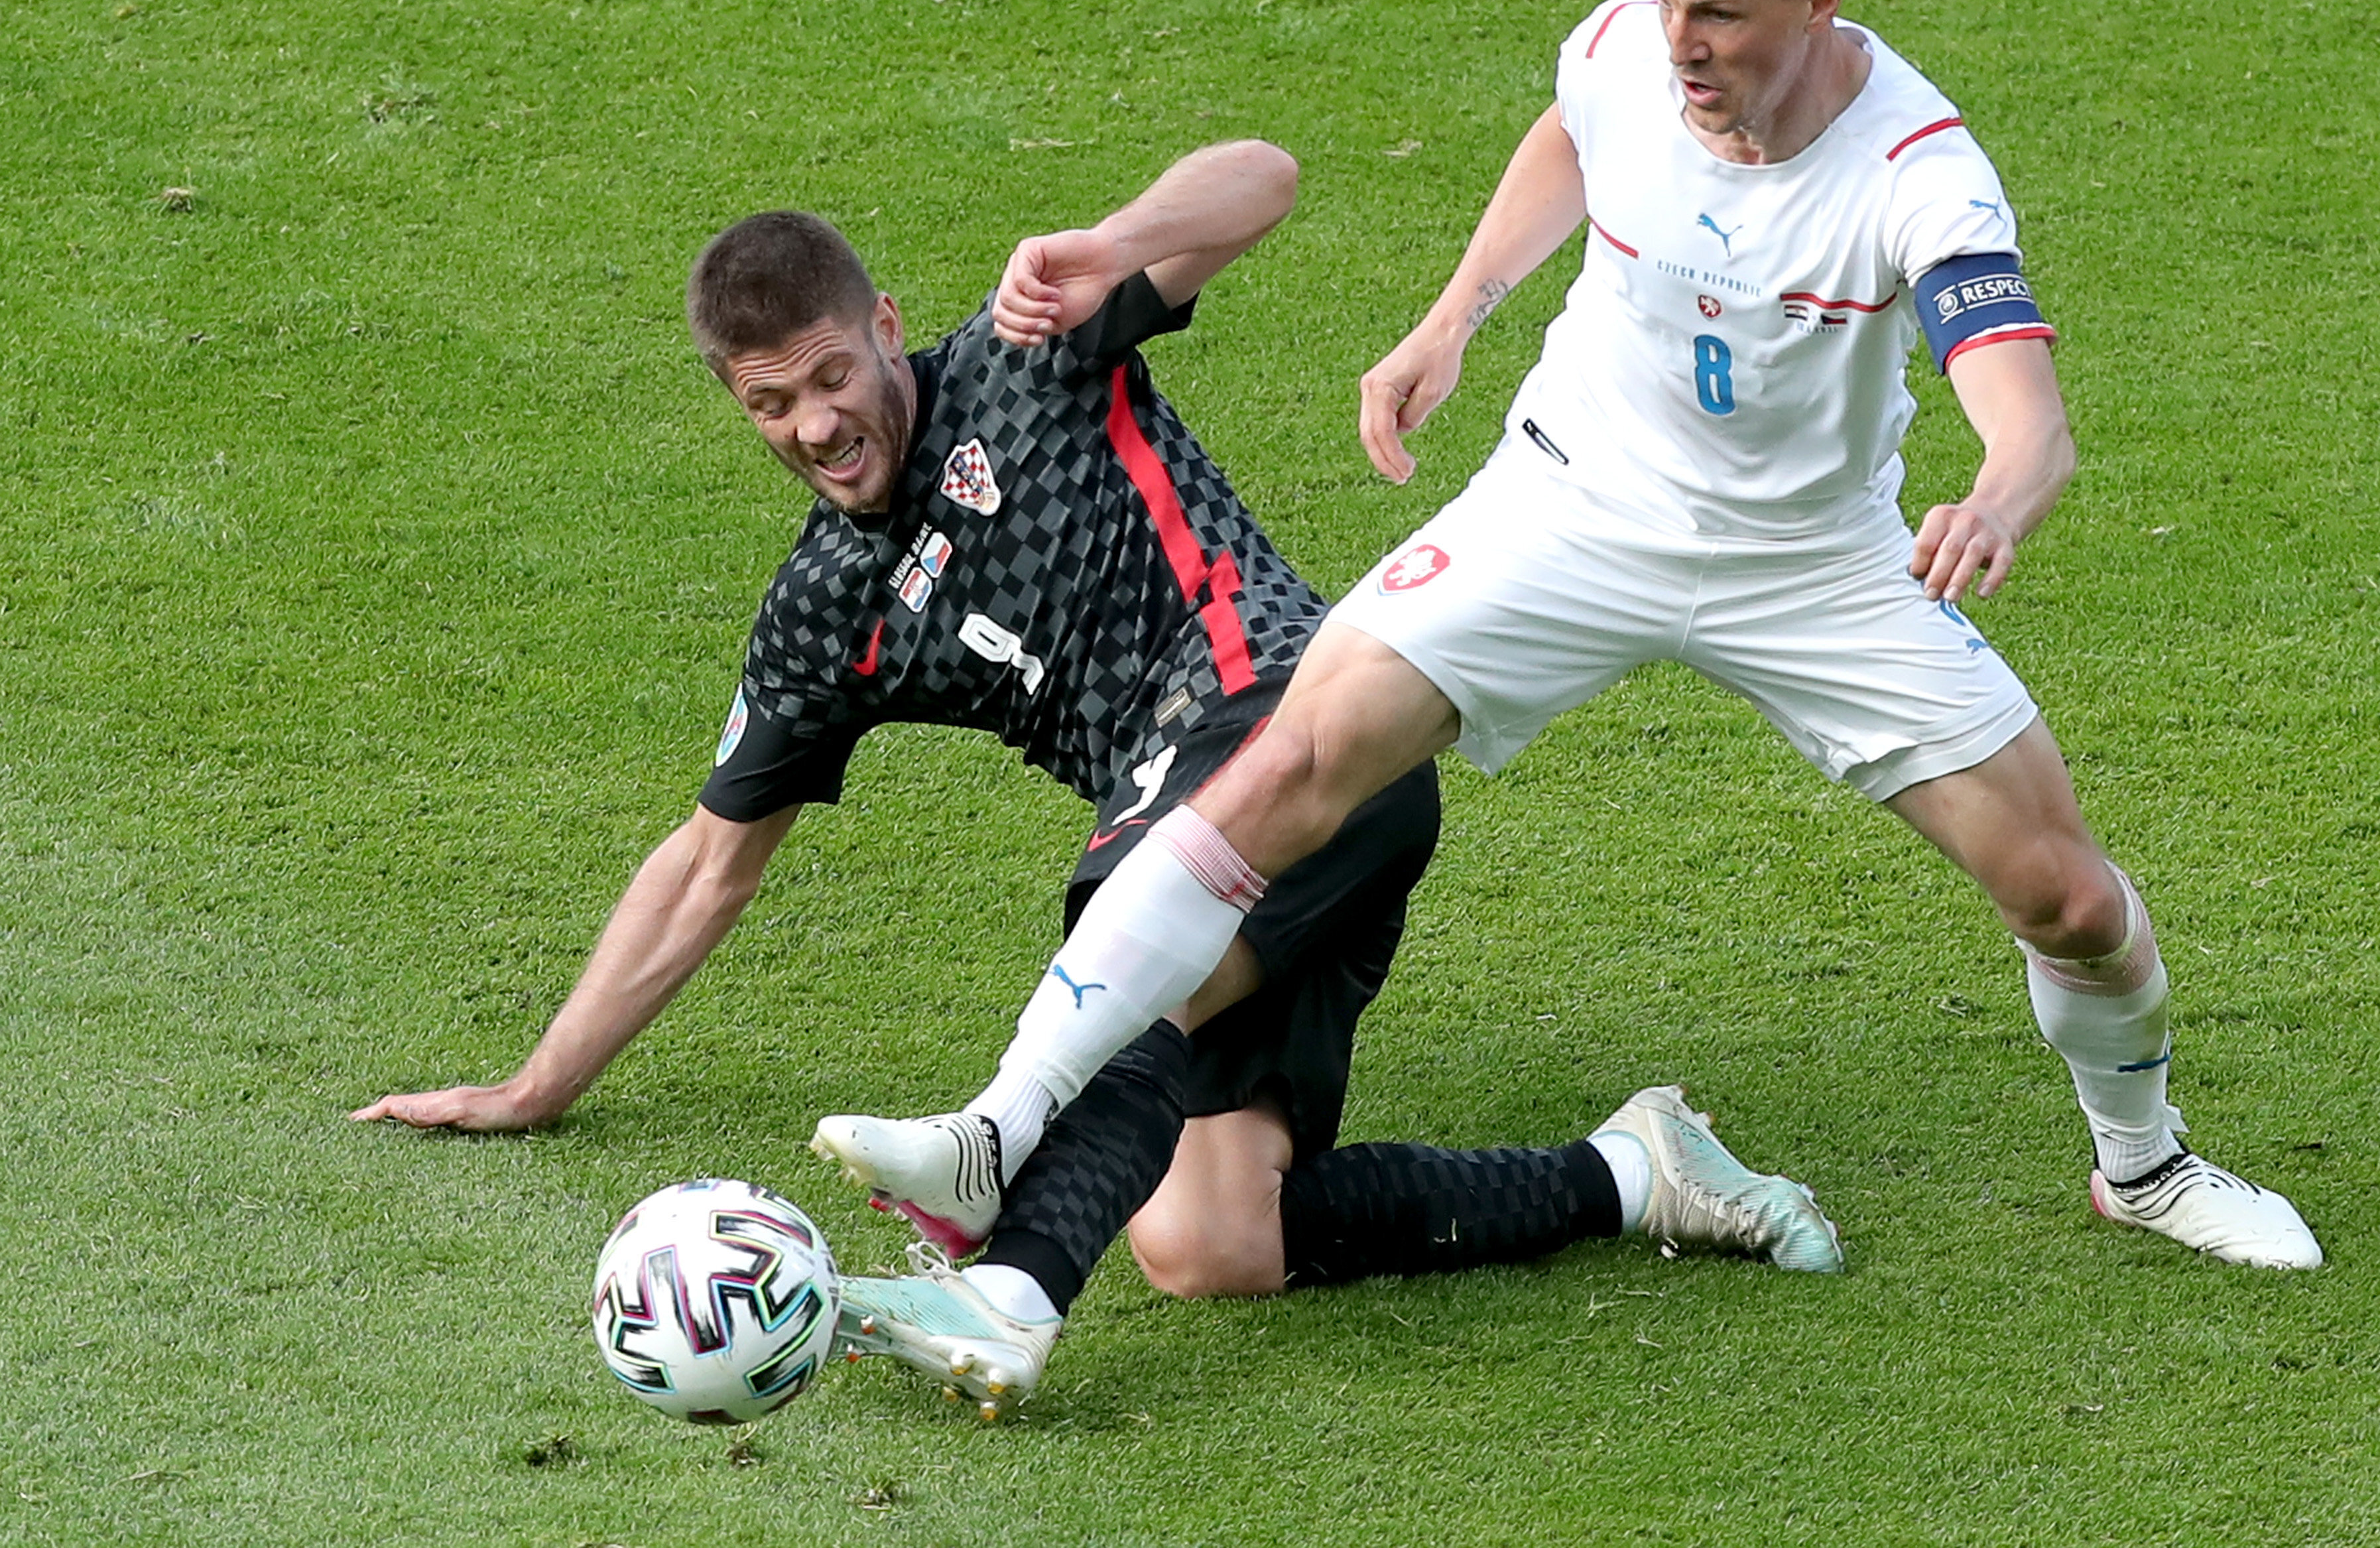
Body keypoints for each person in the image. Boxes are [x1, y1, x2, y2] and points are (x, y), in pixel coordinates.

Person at [837, 0, 2324, 1273]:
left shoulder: (1917, 172)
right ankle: (995, 1124)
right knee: (1291, 761)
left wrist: (1993, 499)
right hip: (1573, 498)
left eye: (1721, 13)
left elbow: (2027, 417)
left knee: (2061, 893)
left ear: (1821, 2)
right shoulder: (1627, 46)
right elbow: (1572, 132)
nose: (1679, 40)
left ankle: (2144, 1167)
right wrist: (1453, 315)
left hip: (1811, 564)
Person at [354, 143, 1843, 1419]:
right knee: (1209, 1242)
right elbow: (707, 860)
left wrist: (1113, 246)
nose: (814, 424)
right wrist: (536, 1082)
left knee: (1131, 943)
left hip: (1302, 724)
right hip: (1219, 853)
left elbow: (1264, 182)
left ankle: (1005, 1279)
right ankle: (1633, 1171)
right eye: (768, 403)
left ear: (881, 328)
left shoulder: (1026, 353)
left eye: (827, 375)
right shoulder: (827, 611)